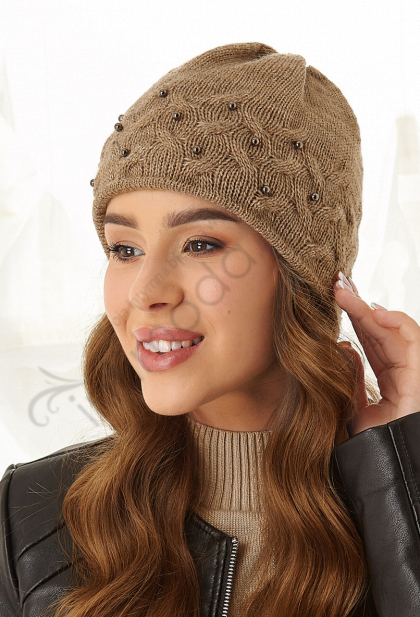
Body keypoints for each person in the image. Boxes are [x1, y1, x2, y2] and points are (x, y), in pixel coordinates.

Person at [0, 42, 419, 617]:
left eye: (200, 244)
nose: (145, 292)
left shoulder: (398, 504)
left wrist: (402, 478)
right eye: (125, 249)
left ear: (304, 273)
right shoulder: (28, 521)